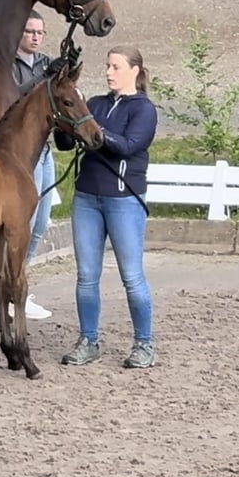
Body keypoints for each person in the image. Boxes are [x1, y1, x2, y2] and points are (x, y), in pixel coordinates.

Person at [54, 45, 158, 369]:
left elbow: (127, 146)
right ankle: (88, 340)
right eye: (108, 66)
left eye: (115, 67)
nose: (109, 72)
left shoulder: (144, 110)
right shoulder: (95, 104)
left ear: (134, 71)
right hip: (87, 197)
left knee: (131, 276)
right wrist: (65, 124)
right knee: (86, 276)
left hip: (123, 201)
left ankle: (144, 344)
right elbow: (67, 143)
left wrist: (93, 130)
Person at [8, 9, 64, 321]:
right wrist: (45, 77)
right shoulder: (8, 66)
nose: (35, 37)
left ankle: (20, 280)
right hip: (20, 153)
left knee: (41, 222)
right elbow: (16, 98)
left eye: (39, 33)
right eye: (30, 31)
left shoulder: (45, 63)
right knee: (24, 223)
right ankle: (15, 288)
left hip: (45, 149)